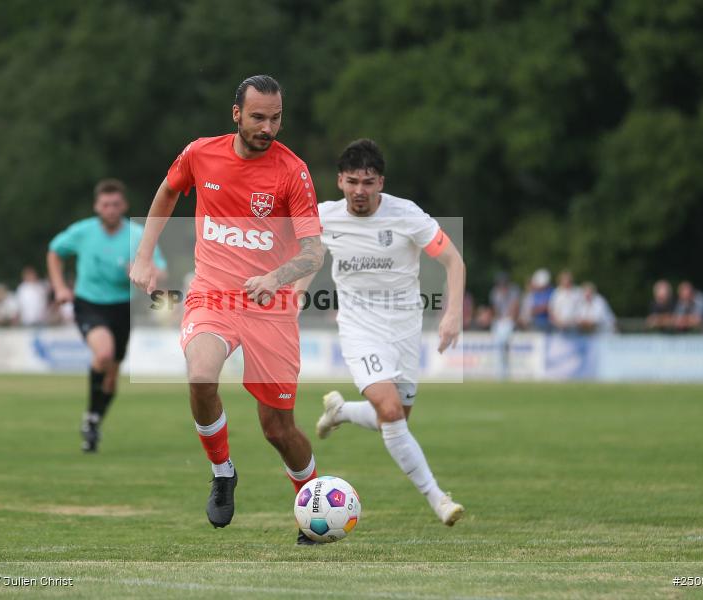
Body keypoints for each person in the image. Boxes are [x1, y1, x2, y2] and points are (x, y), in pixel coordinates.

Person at [128, 75, 325, 544]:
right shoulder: (201, 153)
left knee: (278, 429)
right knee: (200, 375)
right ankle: (222, 472)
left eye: (275, 118)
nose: (267, 127)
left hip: (270, 308)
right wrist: (144, 255)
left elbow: (314, 252)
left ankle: (315, 507)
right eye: (258, 117)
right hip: (212, 296)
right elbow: (168, 190)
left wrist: (275, 278)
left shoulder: (292, 172)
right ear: (236, 114)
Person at [297, 138, 466, 528]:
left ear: (381, 183)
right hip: (359, 327)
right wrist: (295, 295)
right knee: (390, 411)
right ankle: (438, 499)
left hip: (405, 327)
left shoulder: (407, 215)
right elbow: (309, 257)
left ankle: (340, 411)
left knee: (395, 417)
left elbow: (453, 260)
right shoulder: (324, 217)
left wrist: (453, 312)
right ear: (340, 181)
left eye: (368, 182)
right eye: (353, 181)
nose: (360, 190)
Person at [47, 179, 167, 452]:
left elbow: (161, 270)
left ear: (124, 206)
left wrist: (142, 270)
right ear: (96, 206)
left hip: (122, 307)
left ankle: (93, 419)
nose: (110, 209)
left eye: (115, 204)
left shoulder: (137, 235)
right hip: (89, 303)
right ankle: (91, 419)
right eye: (105, 205)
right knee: (103, 354)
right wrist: (60, 287)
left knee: (111, 377)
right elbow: (55, 252)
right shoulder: (82, 232)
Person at [489, 271, 520, 379]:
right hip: (500, 321)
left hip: (510, 320)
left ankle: (505, 371)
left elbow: (515, 307)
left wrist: (508, 317)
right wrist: (499, 318)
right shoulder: (495, 292)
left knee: (504, 340)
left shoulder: (514, 291)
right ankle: (499, 370)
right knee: (498, 343)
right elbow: (495, 309)